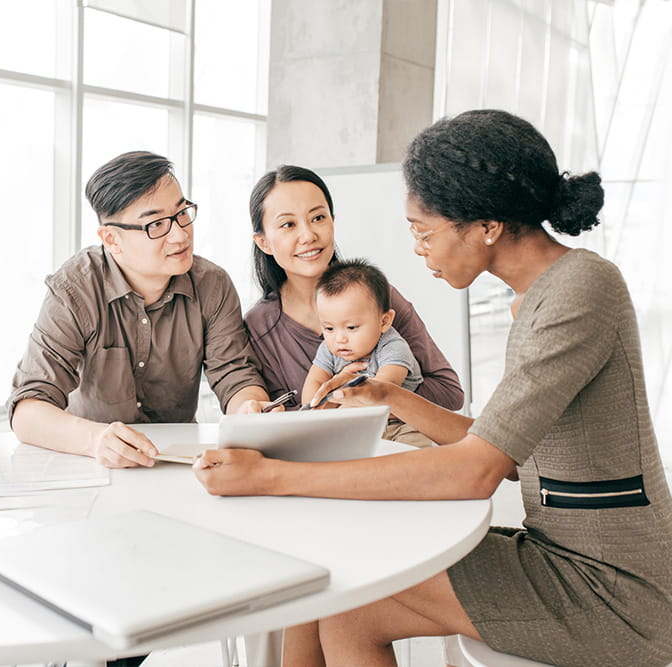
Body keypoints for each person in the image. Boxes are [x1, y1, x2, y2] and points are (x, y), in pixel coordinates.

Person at [194, 109, 672, 666]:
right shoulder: (538, 297)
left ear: (485, 225)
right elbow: (508, 451)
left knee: (333, 571)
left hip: (613, 588)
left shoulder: (578, 290)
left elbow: (476, 471)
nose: (418, 249)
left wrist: (273, 476)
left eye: (423, 231)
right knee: (348, 610)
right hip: (560, 555)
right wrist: (392, 396)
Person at [8, 151, 271, 469]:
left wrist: (250, 408)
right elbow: (28, 410)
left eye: (182, 213)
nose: (180, 234)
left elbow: (235, 375)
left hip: (176, 464)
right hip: (89, 462)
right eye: (156, 224)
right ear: (111, 239)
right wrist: (95, 440)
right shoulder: (75, 287)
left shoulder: (212, 284)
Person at [245, 165, 464, 412]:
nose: (308, 235)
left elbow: (449, 393)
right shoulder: (259, 326)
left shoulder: (377, 296)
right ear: (263, 242)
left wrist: (372, 391)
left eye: (318, 218)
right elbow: (278, 418)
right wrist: (338, 398)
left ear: (333, 222)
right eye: (288, 225)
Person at [303, 258, 429, 447]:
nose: (339, 339)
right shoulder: (329, 349)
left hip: (401, 424)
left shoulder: (393, 347)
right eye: (329, 328)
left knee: (416, 456)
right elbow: (312, 396)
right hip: (353, 426)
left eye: (351, 327)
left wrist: (337, 392)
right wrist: (323, 397)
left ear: (384, 321)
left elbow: (380, 392)